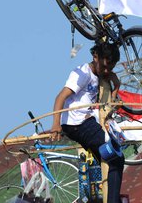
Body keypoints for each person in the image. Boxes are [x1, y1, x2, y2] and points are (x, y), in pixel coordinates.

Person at [50, 42, 125, 203]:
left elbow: (110, 104)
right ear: (95, 57)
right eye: (104, 67)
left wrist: (116, 85)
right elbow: (60, 97)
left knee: (107, 160)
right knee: (115, 157)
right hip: (77, 123)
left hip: (87, 123)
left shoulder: (99, 76)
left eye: (110, 68)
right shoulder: (82, 73)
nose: (106, 71)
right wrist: (55, 124)